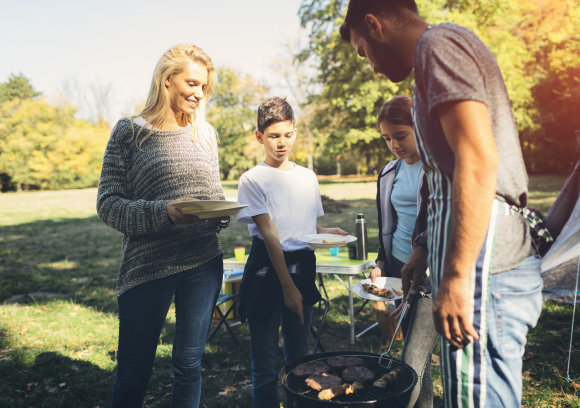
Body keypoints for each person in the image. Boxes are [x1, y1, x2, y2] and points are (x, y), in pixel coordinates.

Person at [340, 2, 543, 407]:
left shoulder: (438, 45)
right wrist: (421, 247)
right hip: (473, 264)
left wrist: (454, 279)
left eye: (364, 54)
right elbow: (444, 173)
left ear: (374, 24)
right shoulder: (430, 66)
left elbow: (478, 161)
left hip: (484, 265)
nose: (372, 69)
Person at [97, 44, 228, 408]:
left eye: (204, 87)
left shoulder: (206, 135)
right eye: (191, 83)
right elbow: (107, 204)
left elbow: (213, 192)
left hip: (203, 262)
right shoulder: (130, 132)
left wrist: (220, 212)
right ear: (167, 80)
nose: (199, 94)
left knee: (188, 365)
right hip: (147, 267)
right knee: (134, 371)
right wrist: (164, 212)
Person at [236, 96, 347, 408]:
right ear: (259, 137)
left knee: (301, 360)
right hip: (267, 270)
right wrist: (288, 287)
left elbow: (299, 226)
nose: (281, 143)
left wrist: (327, 232)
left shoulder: (307, 177)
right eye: (273, 136)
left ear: (295, 131)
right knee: (265, 363)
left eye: (288, 134)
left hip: (303, 265)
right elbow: (271, 234)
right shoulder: (252, 179)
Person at [371, 95, 437, 408]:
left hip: (430, 273)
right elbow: (388, 221)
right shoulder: (389, 173)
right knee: (416, 357)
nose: (394, 145)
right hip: (399, 268)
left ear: (419, 127)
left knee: (411, 358)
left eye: (400, 135)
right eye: (387, 138)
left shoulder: (439, 168)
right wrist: (382, 261)